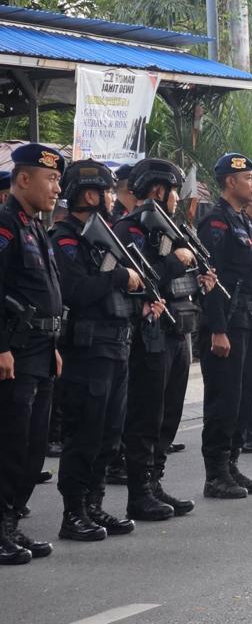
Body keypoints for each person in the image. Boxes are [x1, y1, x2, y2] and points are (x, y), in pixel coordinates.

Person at [52, 160, 149, 542]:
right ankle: (73, 511)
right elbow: (75, 291)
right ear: (83, 193)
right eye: (102, 191)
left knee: (110, 433)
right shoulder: (65, 238)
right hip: (88, 348)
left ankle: (94, 503)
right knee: (86, 432)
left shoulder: (106, 233)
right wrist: (117, 277)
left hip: (116, 342)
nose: (109, 198)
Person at [115, 159, 211, 521]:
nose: (176, 198)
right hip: (150, 333)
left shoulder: (172, 228)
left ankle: (155, 482)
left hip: (178, 328)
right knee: (147, 415)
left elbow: (182, 275)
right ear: (158, 190)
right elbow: (141, 280)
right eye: (172, 191)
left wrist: (197, 271)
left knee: (169, 414)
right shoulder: (130, 229)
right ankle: (139, 492)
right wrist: (175, 260)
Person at [0, 144, 65, 564]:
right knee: (10, 442)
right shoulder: (5, 225)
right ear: (24, 179)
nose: (57, 188)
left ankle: (11, 524)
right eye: (51, 178)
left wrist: (55, 346)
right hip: (15, 352)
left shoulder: (35, 226)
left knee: (33, 444)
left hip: (42, 350)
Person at [197, 153, 252, 499]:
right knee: (224, 400)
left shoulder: (245, 220)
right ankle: (215, 473)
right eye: (249, 179)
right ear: (230, 181)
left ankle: (233, 464)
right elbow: (209, 281)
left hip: (251, 319)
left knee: (245, 399)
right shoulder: (216, 222)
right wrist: (217, 328)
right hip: (229, 322)